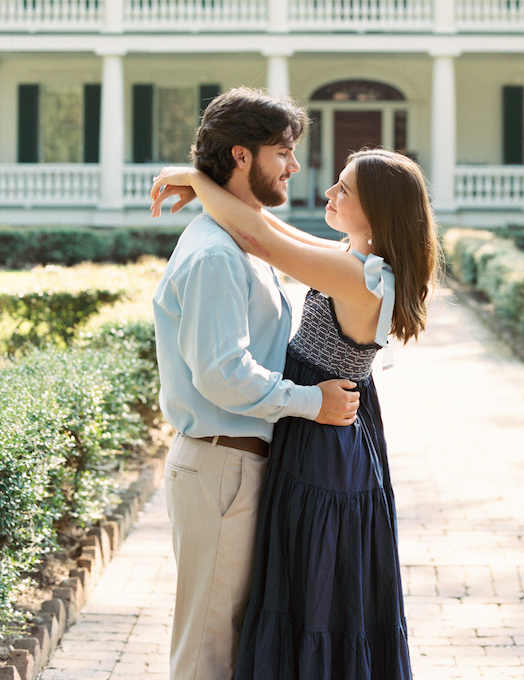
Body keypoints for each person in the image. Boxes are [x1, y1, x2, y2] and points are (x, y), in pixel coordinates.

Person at [151, 143, 439, 680]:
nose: (328, 193)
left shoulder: (359, 278)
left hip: (324, 437)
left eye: (344, 189)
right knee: (297, 590)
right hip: (322, 428)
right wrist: (210, 186)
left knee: (311, 594)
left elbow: (260, 238)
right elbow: (269, 229)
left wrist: (197, 177)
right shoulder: (357, 263)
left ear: (377, 211)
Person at [151, 87, 361, 680]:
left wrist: (196, 177)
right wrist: (310, 403)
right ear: (242, 157)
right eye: (283, 152)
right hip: (223, 467)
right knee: (208, 646)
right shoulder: (218, 255)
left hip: (241, 466)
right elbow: (222, 374)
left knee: (232, 636)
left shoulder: (245, 239)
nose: (296, 166)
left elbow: (264, 229)